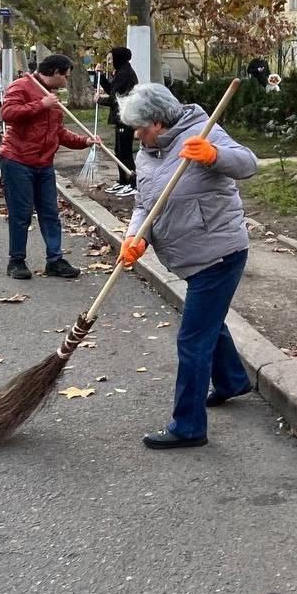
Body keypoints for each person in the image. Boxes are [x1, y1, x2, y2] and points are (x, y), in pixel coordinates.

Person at [114, 83, 260, 449]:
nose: (136, 135)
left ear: (158, 123)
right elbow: (144, 205)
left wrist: (214, 156)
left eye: (140, 128)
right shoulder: (148, 153)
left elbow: (248, 163)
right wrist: (136, 238)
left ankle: (189, 426)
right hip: (188, 255)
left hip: (219, 253)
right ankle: (232, 381)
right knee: (208, 323)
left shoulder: (202, 132)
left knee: (193, 340)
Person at [0, 54, 100, 280]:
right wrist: (40, 104)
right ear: (55, 72)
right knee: (21, 214)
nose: (67, 80)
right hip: (17, 160)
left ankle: (55, 260)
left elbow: (58, 132)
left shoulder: (52, 96)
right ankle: (16, 261)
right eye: (66, 76)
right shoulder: (22, 86)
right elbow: (8, 114)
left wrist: (84, 141)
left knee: (50, 213)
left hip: (43, 163)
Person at [99, 46, 139, 197]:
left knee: (125, 152)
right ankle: (123, 180)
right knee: (119, 151)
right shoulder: (121, 72)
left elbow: (114, 99)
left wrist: (99, 100)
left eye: (110, 59)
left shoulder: (125, 74)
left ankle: (132, 182)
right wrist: (100, 77)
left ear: (118, 58)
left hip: (125, 118)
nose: (109, 62)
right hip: (120, 118)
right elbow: (112, 90)